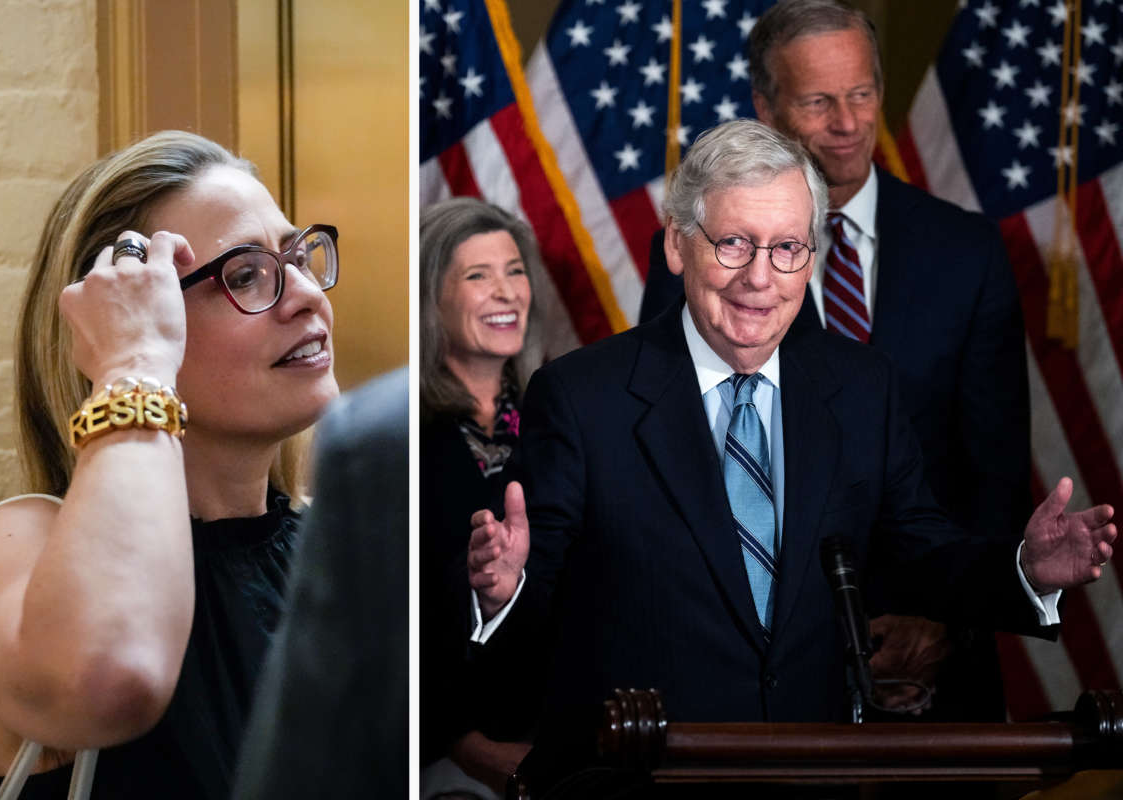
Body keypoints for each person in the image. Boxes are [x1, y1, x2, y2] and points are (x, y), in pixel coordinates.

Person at [468, 120, 1114, 786]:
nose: (759, 277)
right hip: (635, 777)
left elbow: (923, 552)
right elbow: (532, 593)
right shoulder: (581, 397)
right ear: (676, 246)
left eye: (786, 249)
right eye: (734, 244)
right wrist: (505, 590)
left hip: (811, 771)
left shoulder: (862, 389)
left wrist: (1025, 571)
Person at [641, 0, 1031, 720]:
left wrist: (944, 624)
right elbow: (673, 454)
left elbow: (995, 470)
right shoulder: (705, 254)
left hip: (937, 661)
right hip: (761, 672)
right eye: (819, 101)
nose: (848, 124)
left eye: (861, 94)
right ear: (765, 105)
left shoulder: (968, 251)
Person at [0, 130, 341, 798]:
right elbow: (109, 677)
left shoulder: (336, 549)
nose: (304, 293)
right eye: (246, 275)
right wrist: (134, 364)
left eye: (298, 255)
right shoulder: (15, 544)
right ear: (122, 316)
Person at [233, 368, 408, 800]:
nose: (308, 298)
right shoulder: (46, 545)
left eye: (321, 290)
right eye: (238, 293)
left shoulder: (347, 528)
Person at [419, 198, 544, 799]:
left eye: (515, 271)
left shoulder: (564, 415)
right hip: (440, 754)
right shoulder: (402, 433)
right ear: (431, 300)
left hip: (561, 738)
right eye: (477, 275)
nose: (506, 291)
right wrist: (465, 746)